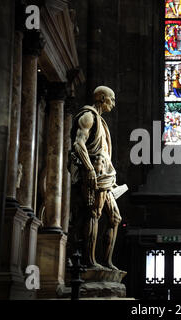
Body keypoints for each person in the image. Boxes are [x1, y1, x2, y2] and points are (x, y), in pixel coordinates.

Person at [70, 86, 122, 270]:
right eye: (111, 99)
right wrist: (90, 169)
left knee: (115, 218)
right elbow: (78, 144)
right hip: (93, 177)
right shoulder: (88, 116)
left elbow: (105, 153)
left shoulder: (102, 121)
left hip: (105, 177)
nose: (113, 103)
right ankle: (89, 262)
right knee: (93, 215)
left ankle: (107, 262)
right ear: (101, 98)